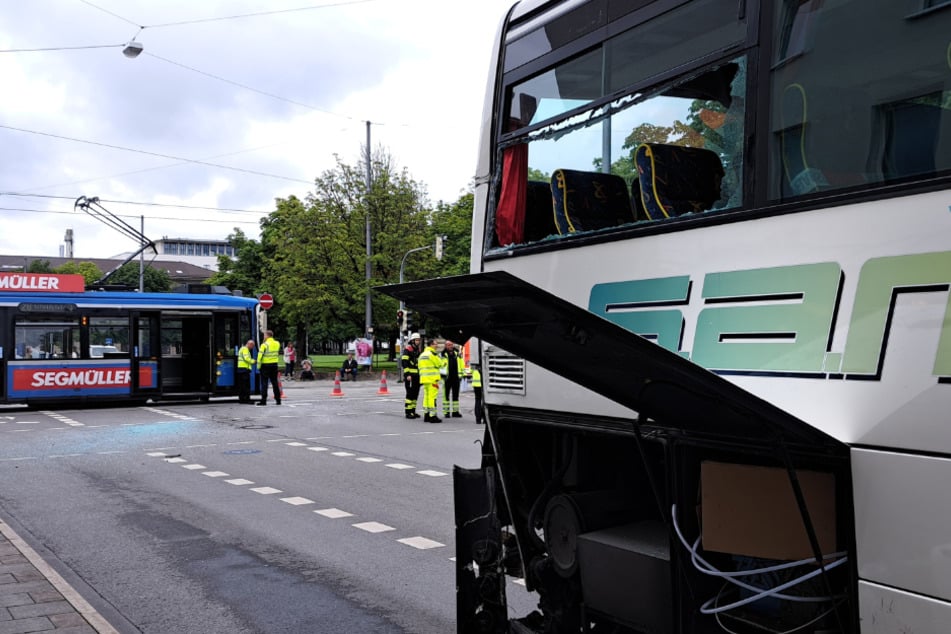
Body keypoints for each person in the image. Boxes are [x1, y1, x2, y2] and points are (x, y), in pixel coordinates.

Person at [417, 336, 446, 423]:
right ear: (431, 345)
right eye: (435, 344)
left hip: (424, 379)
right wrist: (445, 361)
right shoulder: (432, 354)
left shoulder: (422, 355)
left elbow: (419, 366)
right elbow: (440, 364)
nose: (437, 345)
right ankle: (432, 416)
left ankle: (426, 414)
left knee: (426, 397)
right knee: (432, 398)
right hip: (433, 379)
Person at [441, 340, 465, 418]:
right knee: (446, 396)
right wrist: (442, 376)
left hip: (456, 377)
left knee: (455, 395)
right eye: (448, 345)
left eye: (451, 345)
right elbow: (440, 366)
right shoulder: (442, 355)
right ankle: (446, 412)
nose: (450, 346)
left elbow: (462, 364)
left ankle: (455, 411)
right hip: (447, 378)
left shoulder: (457, 354)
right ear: (445, 346)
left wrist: (462, 374)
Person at [256, 330, 281, 406]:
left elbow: (259, 357)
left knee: (264, 384)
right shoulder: (277, 343)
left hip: (265, 366)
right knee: (275, 383)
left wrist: (258, 367)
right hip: (274, 365)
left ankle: (263, 400)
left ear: (267, 336)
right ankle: (278, 400)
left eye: (264, 335)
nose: (264, 337)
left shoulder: (264, 345)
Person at [401, 333, 422, 419]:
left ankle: (413, 411)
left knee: (415, 394)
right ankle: (408, 412)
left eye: (418, 340)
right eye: (416, 340)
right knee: (410, 394)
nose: (418, 341)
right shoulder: (408, 349)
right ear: (412, 341)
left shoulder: (417, 350)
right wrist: (407, 374)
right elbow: (404, 363)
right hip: (410, 376)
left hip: (417, 375)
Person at [236, 339, 256, 403]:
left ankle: (241, 399)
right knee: (246, 385)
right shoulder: (245, 349)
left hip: (241, 369)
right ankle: (246, 399)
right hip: (244, 369)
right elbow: (247, 359)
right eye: (252, 346)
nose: (252, 348)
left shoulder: (242, 349)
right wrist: (254, 361)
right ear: (249, 344)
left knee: (241, 385)